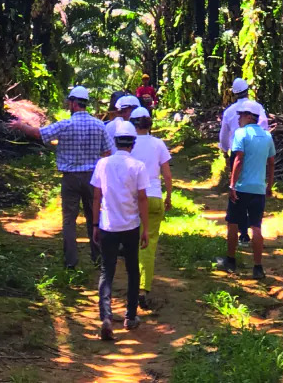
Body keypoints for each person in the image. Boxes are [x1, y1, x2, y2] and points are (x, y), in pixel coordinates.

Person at [10, 86, 115, 269]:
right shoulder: (99, 125)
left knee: (69, 220)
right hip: (93, 177)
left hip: (70, 179)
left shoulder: (65, 125)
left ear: (74, 104)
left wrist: (20, 126)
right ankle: (97, 257)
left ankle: (70, 261)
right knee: (94, 217)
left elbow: (38, 133)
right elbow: (108, 151)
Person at [90, 121, 151, 340]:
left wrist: (95, 224)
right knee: (133, 269)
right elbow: (143, 199)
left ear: (115, 142)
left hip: (107, 225)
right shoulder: (138, 166)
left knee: (107, 271)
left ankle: (106, 316)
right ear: (132, 144)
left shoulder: (103, 164)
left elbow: (97, 196)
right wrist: (146, 228)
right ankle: (130, 316)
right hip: (130, 226)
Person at [216, 100, 275, 280]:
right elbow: (271, 162)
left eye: (241, 115)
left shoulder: (241, 134)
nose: (239, 118)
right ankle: (258, 267)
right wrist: (269, 185)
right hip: (258, 188)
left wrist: (232, 184)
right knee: (256, 226)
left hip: (241, 187)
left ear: (249, 117)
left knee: (233, 223)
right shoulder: (267, 137)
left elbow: (238, 160)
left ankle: (231, 261)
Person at [128, 107, 172, 309]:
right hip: (154, 197)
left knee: (132, 243)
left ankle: (133, 285)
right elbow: (167, 175)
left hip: (133, 199)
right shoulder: (158, 144)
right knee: (149, 244)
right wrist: (169, 197)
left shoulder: (128, 145)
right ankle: (143, 289)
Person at [218, 78, 270, 246]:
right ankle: (252, 226)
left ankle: (243, 232)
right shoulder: (257, 108)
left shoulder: (229, 111)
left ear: (233, 93)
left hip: (237, 152)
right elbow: (265, 128)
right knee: (254, 187)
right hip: (257, 150)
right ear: (248, 90)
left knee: (238, 192)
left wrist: (226, 151)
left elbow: (224, 137)